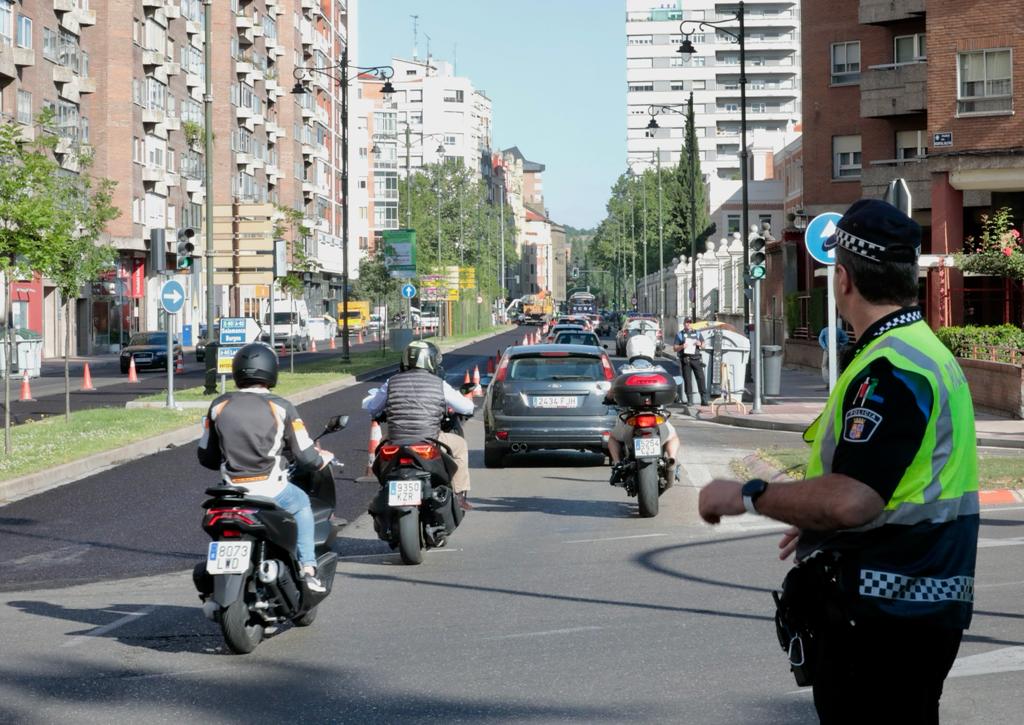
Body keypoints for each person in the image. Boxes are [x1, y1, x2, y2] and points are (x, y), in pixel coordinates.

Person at [698, 198, 979, 724]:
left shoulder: (892, 369)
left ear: (843, 279)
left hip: (885, 611)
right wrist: (814, 519)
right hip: (924, 603)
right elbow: (896, 481)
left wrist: (750, 494)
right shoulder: (924, 351)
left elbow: (854, 498)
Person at [197, 343, 334, 593]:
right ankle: (308, 568)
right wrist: (321, 459)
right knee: (302, 503)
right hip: (271, 488)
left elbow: (206, 456)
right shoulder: (281, 406)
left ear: (238, 371)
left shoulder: (218, 406)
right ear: (271, 371)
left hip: (230, 493)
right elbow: (305, 454)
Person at [363, 340, 475, 510]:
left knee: (379, 452)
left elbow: (372, 407)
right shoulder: (439, 384)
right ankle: (459, 496)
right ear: (430, 361)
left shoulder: (391, 382)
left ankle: (384, 488)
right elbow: (467, 407)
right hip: (429, 439)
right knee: (460, 445)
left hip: (396, 440)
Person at [607, 335, 681, 485]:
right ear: (651, 350)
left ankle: (616, 464)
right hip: (657, 417)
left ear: (629, 351)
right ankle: (672, 459)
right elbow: (671, 386)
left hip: (629, 418)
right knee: (672, 437)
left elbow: (612, 392)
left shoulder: (623, 371)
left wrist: (607, 398)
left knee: (613, 439)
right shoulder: (659, 369)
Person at [674, 318, 710, 407]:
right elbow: (675, 348)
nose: (688, 324)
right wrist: (682, 346)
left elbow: (704, 345)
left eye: (690, 322)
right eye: (686, 322)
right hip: (686, 360)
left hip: (696, 359)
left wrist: (700, 344)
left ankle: (704, 399)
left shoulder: (697, 333)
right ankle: (690, 400)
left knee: (701, 379)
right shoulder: (680, 334)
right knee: (688, 380)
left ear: (691, 324)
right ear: (684, 324)